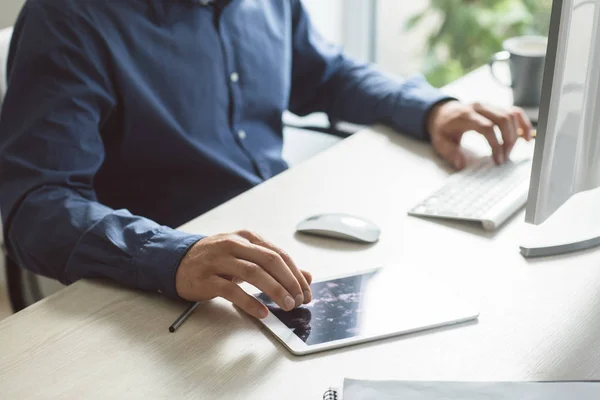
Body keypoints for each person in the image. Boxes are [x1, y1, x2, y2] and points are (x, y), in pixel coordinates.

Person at [0, 0, 532, 319]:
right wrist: (172, 253)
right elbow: (35, 206)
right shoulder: (70, 19)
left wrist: (432, 109)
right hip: (168, 289)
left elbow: (325, 72)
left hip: (282, 243)